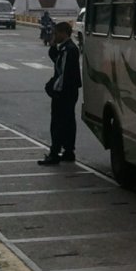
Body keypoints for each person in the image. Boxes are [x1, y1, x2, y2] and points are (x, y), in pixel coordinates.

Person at [38, 22, 82, 165]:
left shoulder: (68, 50)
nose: (54, 36)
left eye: (56, 34)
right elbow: (56, 59)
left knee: (58, 122)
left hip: (64, 93)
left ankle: (55, 153)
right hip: (69, 91)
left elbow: (63, 74)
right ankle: (68, 151)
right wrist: (52, 45)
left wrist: (53, 89)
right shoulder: (65, 49)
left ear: (64, 33)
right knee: (68, 121)